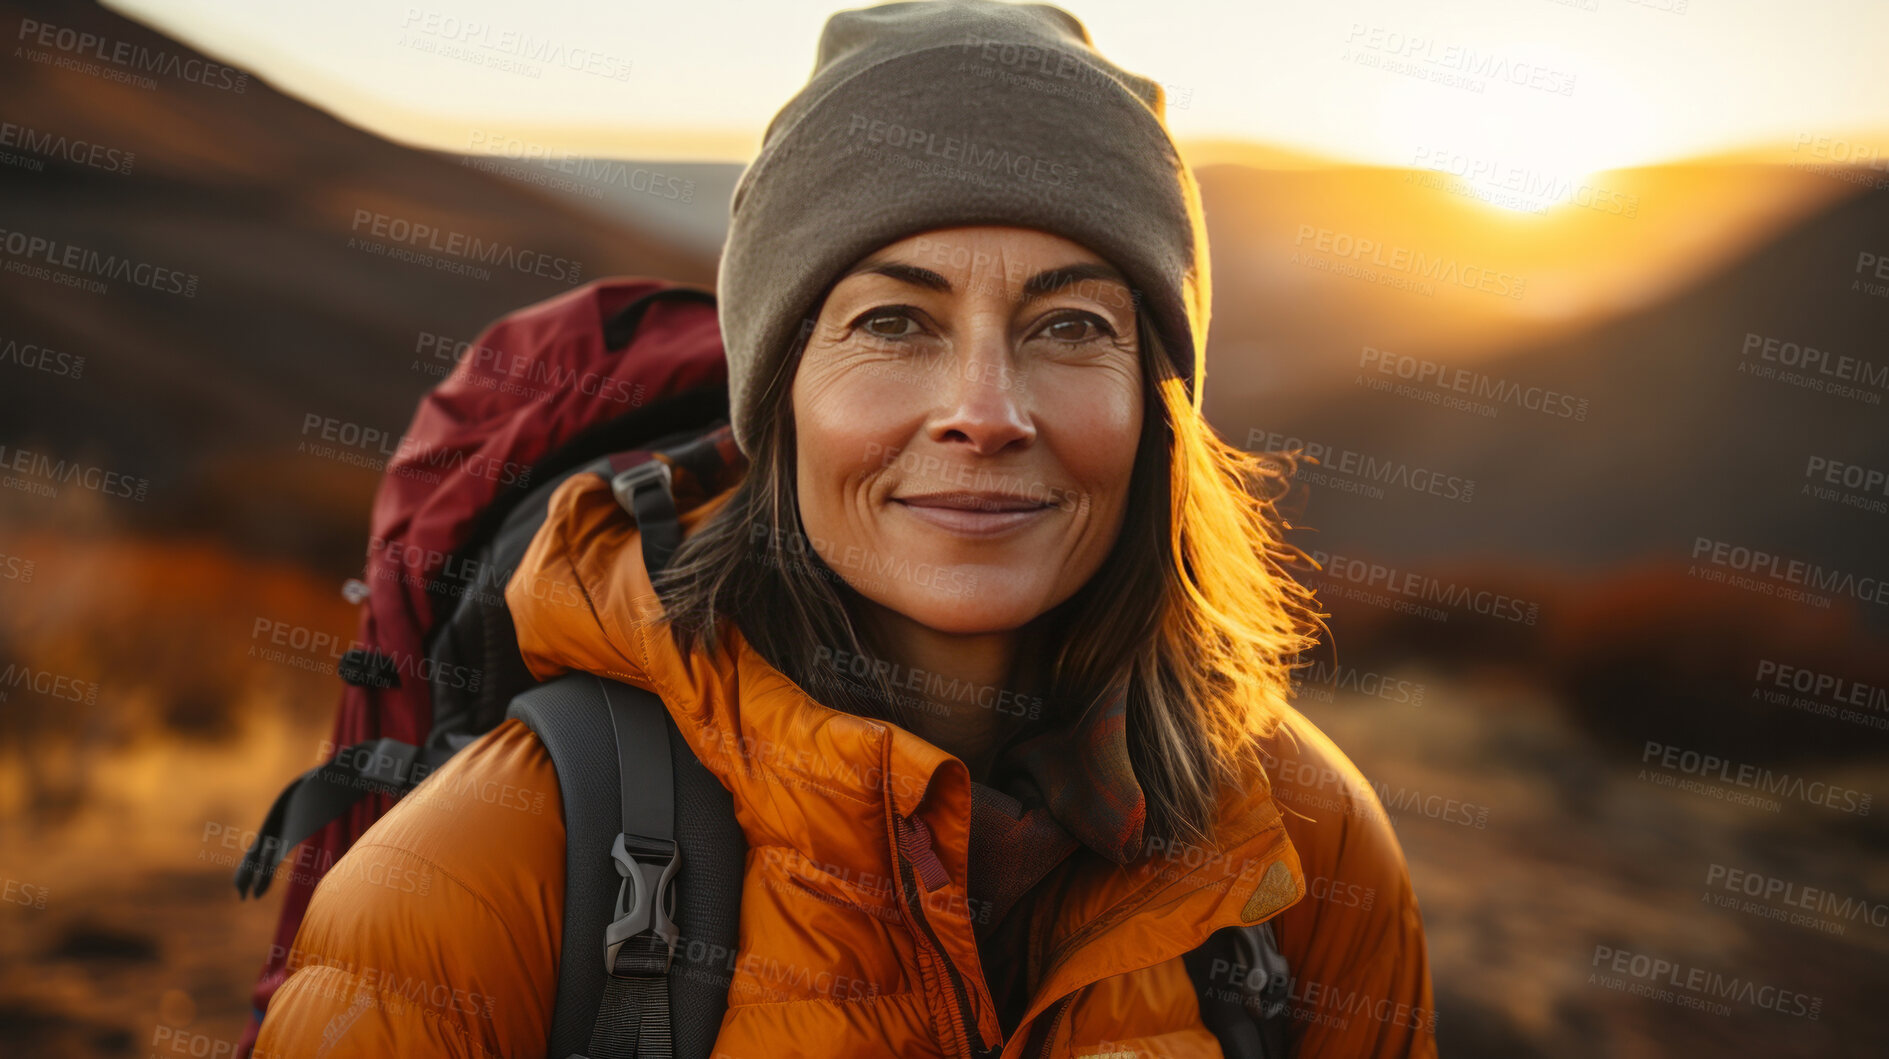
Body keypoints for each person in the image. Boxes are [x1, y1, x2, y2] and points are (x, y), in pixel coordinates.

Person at [253, 1, 1437, 1056]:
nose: (984, 411)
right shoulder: (482, 877)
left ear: (1158, 409)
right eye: (891, 324)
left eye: (1071, 326)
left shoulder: (1302, 844)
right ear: (777, 401)